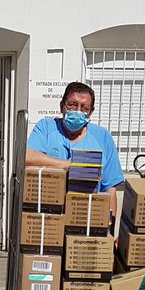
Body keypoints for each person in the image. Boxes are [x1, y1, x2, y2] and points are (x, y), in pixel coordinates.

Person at [25, 81, 126, 218]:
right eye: (73, 105)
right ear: (62, 106)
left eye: (84, 108)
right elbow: (28, 158)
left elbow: (110, 188)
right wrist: (70, 165)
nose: (78, 111)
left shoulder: (103, 137)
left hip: (87, 216)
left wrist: (109, 229)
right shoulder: (46, 127)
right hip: (47, 214)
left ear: (91, 112)